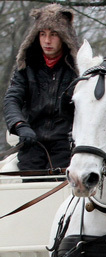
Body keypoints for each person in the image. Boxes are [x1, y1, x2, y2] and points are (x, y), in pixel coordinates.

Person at [3, 4, 79, 175]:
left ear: (64, 37)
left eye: (54, 34)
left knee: (62, 193)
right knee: (29, 190)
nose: (47, 40)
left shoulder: (78, 70)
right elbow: (11, 100)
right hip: (31, 142)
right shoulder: (26, 66)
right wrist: (20, 125)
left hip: (67, 145)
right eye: (42, 34)